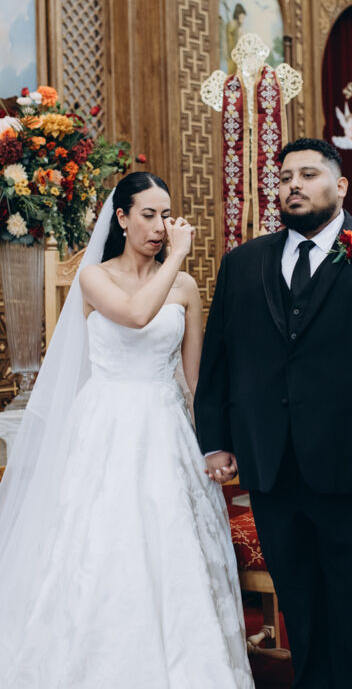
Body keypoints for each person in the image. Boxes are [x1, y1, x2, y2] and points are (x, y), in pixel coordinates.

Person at [194, 138, 352, 689]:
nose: (293, 184)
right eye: (285, 176)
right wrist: (215, 439)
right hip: (275, 463)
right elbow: (219, 358)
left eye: (308, 174)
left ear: (340, 186)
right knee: (301, 601)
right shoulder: (243, 263)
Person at [0, 172, 254, 689]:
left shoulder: (185, 288)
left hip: (166, 429)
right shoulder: (95, 278)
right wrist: (178, 257)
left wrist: (214, 444)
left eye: (167, 215)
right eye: (149, 215)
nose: (161, 226)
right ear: (121, 218)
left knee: (171, 543)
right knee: (101, 543)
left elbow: (195, 381)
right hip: (105, 427)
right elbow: (137, 316)